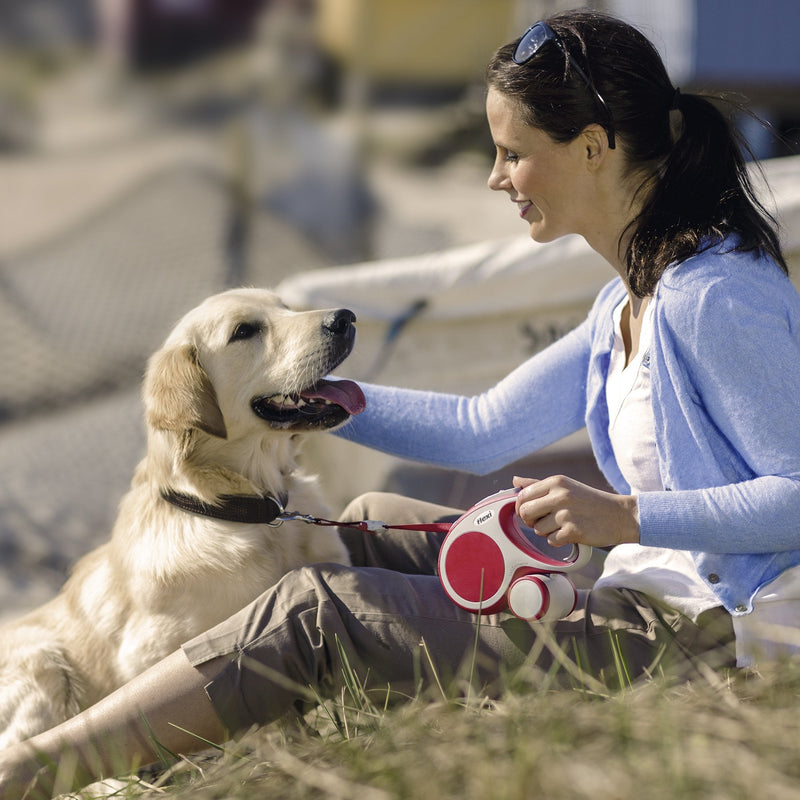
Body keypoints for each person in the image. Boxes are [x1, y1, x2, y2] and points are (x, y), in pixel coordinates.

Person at [2, 8, 799, 797]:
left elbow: (794, 498)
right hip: (640, 595)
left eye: (513, 153)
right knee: (373, 517)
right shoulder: (629, 300)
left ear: (592, 148)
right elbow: (483, 428)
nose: (495, 177)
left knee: (314, 607)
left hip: (699, 635)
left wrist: (625, 518)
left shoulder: (716, 295)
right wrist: (324, 399)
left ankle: (35, 769)